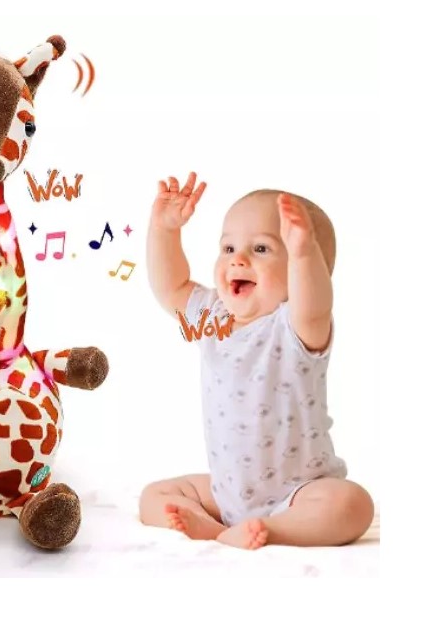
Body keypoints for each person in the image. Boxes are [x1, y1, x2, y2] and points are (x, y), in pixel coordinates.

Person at [140, 172, 373, 549]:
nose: (238, 259)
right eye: (228, 248)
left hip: (299, 495)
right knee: (155, 496)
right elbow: (172, 287)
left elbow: (315, 304)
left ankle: (273, 529)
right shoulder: (212, 317)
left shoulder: (295, 325)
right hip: (227, 494)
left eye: (261, 248)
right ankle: (214, 528)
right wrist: (164, 230)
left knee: (352, 505)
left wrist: (304, 254)